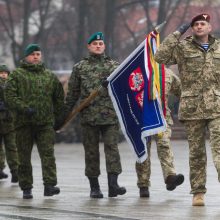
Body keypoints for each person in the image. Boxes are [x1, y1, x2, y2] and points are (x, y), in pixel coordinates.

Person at [154, 13, 220, 206]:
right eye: (196, 24)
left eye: (203, 23)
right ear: (192, 29)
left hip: (217, 107)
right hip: (192, 109)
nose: (199, 26)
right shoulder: (183, 48)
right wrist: (177, 33)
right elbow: (160, 57)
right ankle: (198, 192)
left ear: (209, 27)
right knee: (196, 153)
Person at [64, 32, 126, 198]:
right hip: (89, 116)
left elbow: (123, 89)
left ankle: (113, 185)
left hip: (110, 116)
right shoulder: (80, 68)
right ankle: (94, 187)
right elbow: (72, 94)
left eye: (100, 43)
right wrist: (63, 115)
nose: (98, 46)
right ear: (89, 47)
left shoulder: (114, 66)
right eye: (95, 44)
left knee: (112, 150)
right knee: (91, 152)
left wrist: (112, 84)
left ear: (104, 46)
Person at [5, 44, 65, 199]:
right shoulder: (17, 75)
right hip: (23, 123)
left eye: (38, 54)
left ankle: (50, 185)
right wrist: (24, 108)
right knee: (23, 157)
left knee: (48, 155)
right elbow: (10, 97)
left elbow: (59, 97)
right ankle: (26, 187)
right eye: (32, 54)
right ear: (26, 56)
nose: (36, 57)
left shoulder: (49, 76)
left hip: (45, 123)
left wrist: (57, 117)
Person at [136, 68, 184, 197]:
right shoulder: (138, 71)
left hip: (163, 117)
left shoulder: (167, 73)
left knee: (164, 145)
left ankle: (170, 177)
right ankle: (143, 184)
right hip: (142, 118)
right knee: (143, 150)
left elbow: (182, 91)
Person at [0, 64, 19, 183]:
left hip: (9, 121)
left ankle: (15, 171)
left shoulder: (12, 85)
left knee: (12, 147)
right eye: (1, 73)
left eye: (5, 73)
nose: (3, 75)